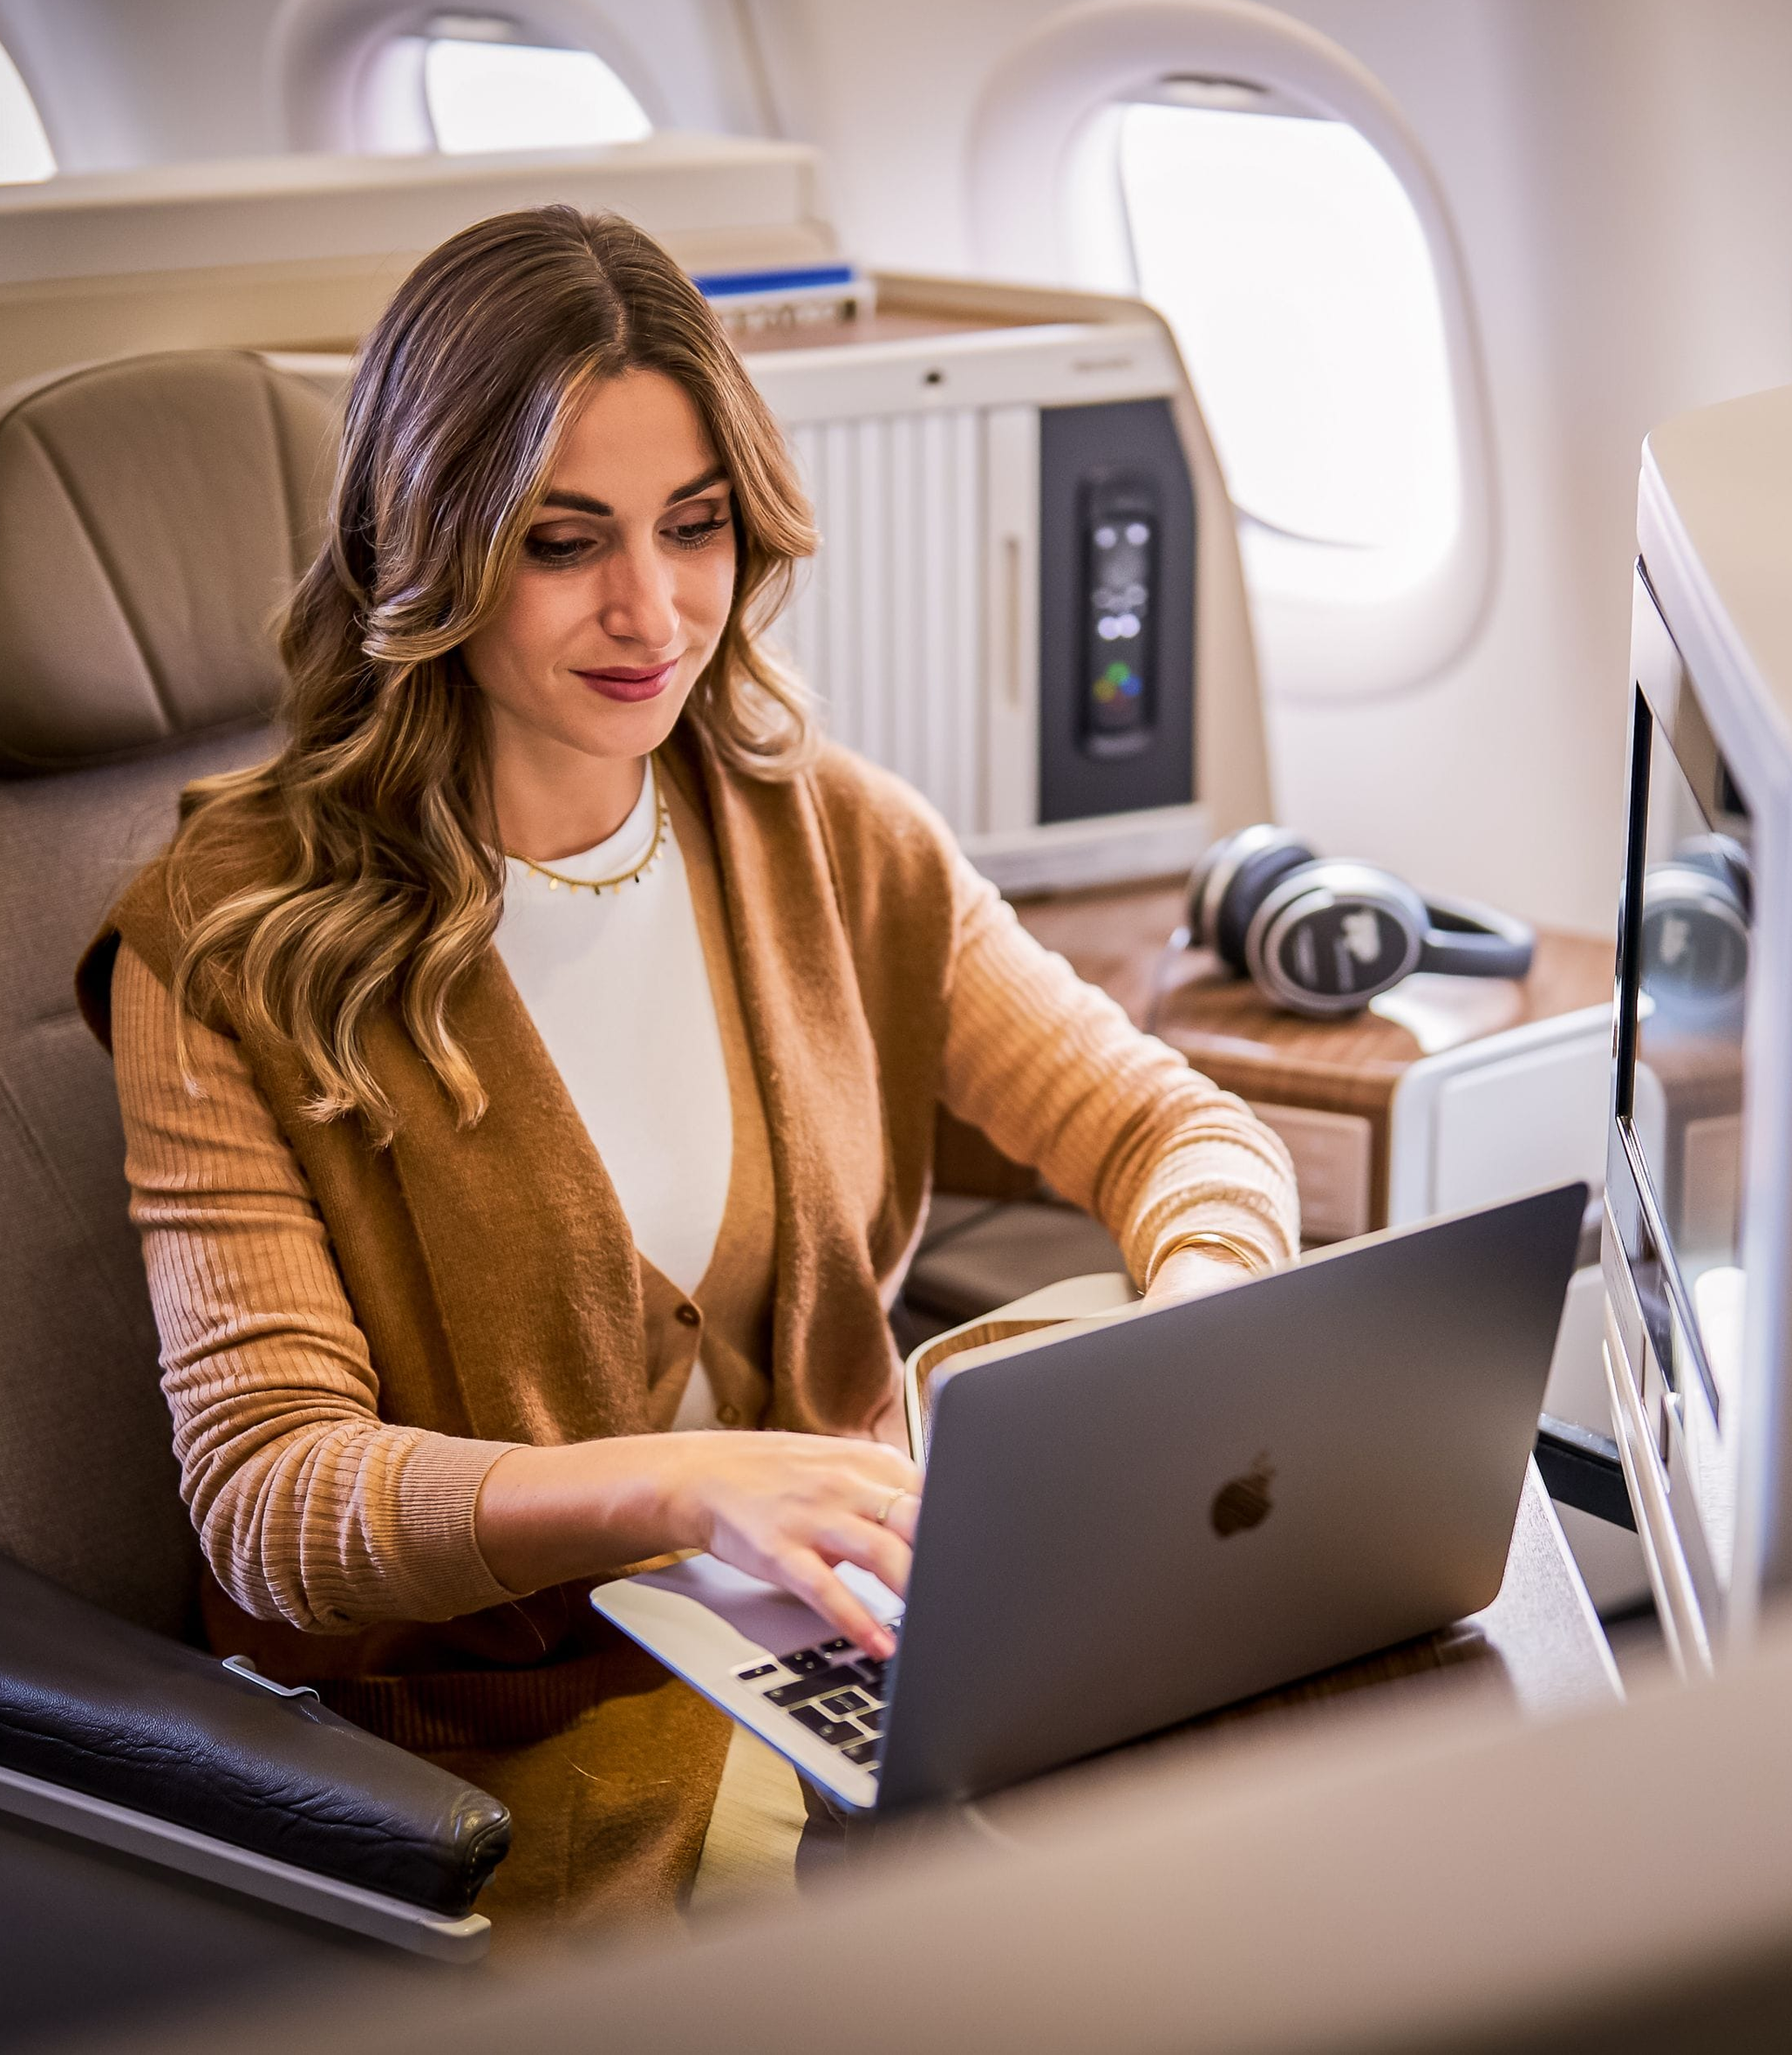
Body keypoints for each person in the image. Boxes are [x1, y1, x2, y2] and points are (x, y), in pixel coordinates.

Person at [82, 206, 1299, 1940]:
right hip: (501, 1757)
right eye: (564, 541)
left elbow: (1169, 1124)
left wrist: (1204, 1315)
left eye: (696, 526)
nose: (651, 610)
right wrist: (681, 1483)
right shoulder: (229, 941)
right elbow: (275, 1495)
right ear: (428, 545)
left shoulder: (829, 832)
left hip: (864, 1648)